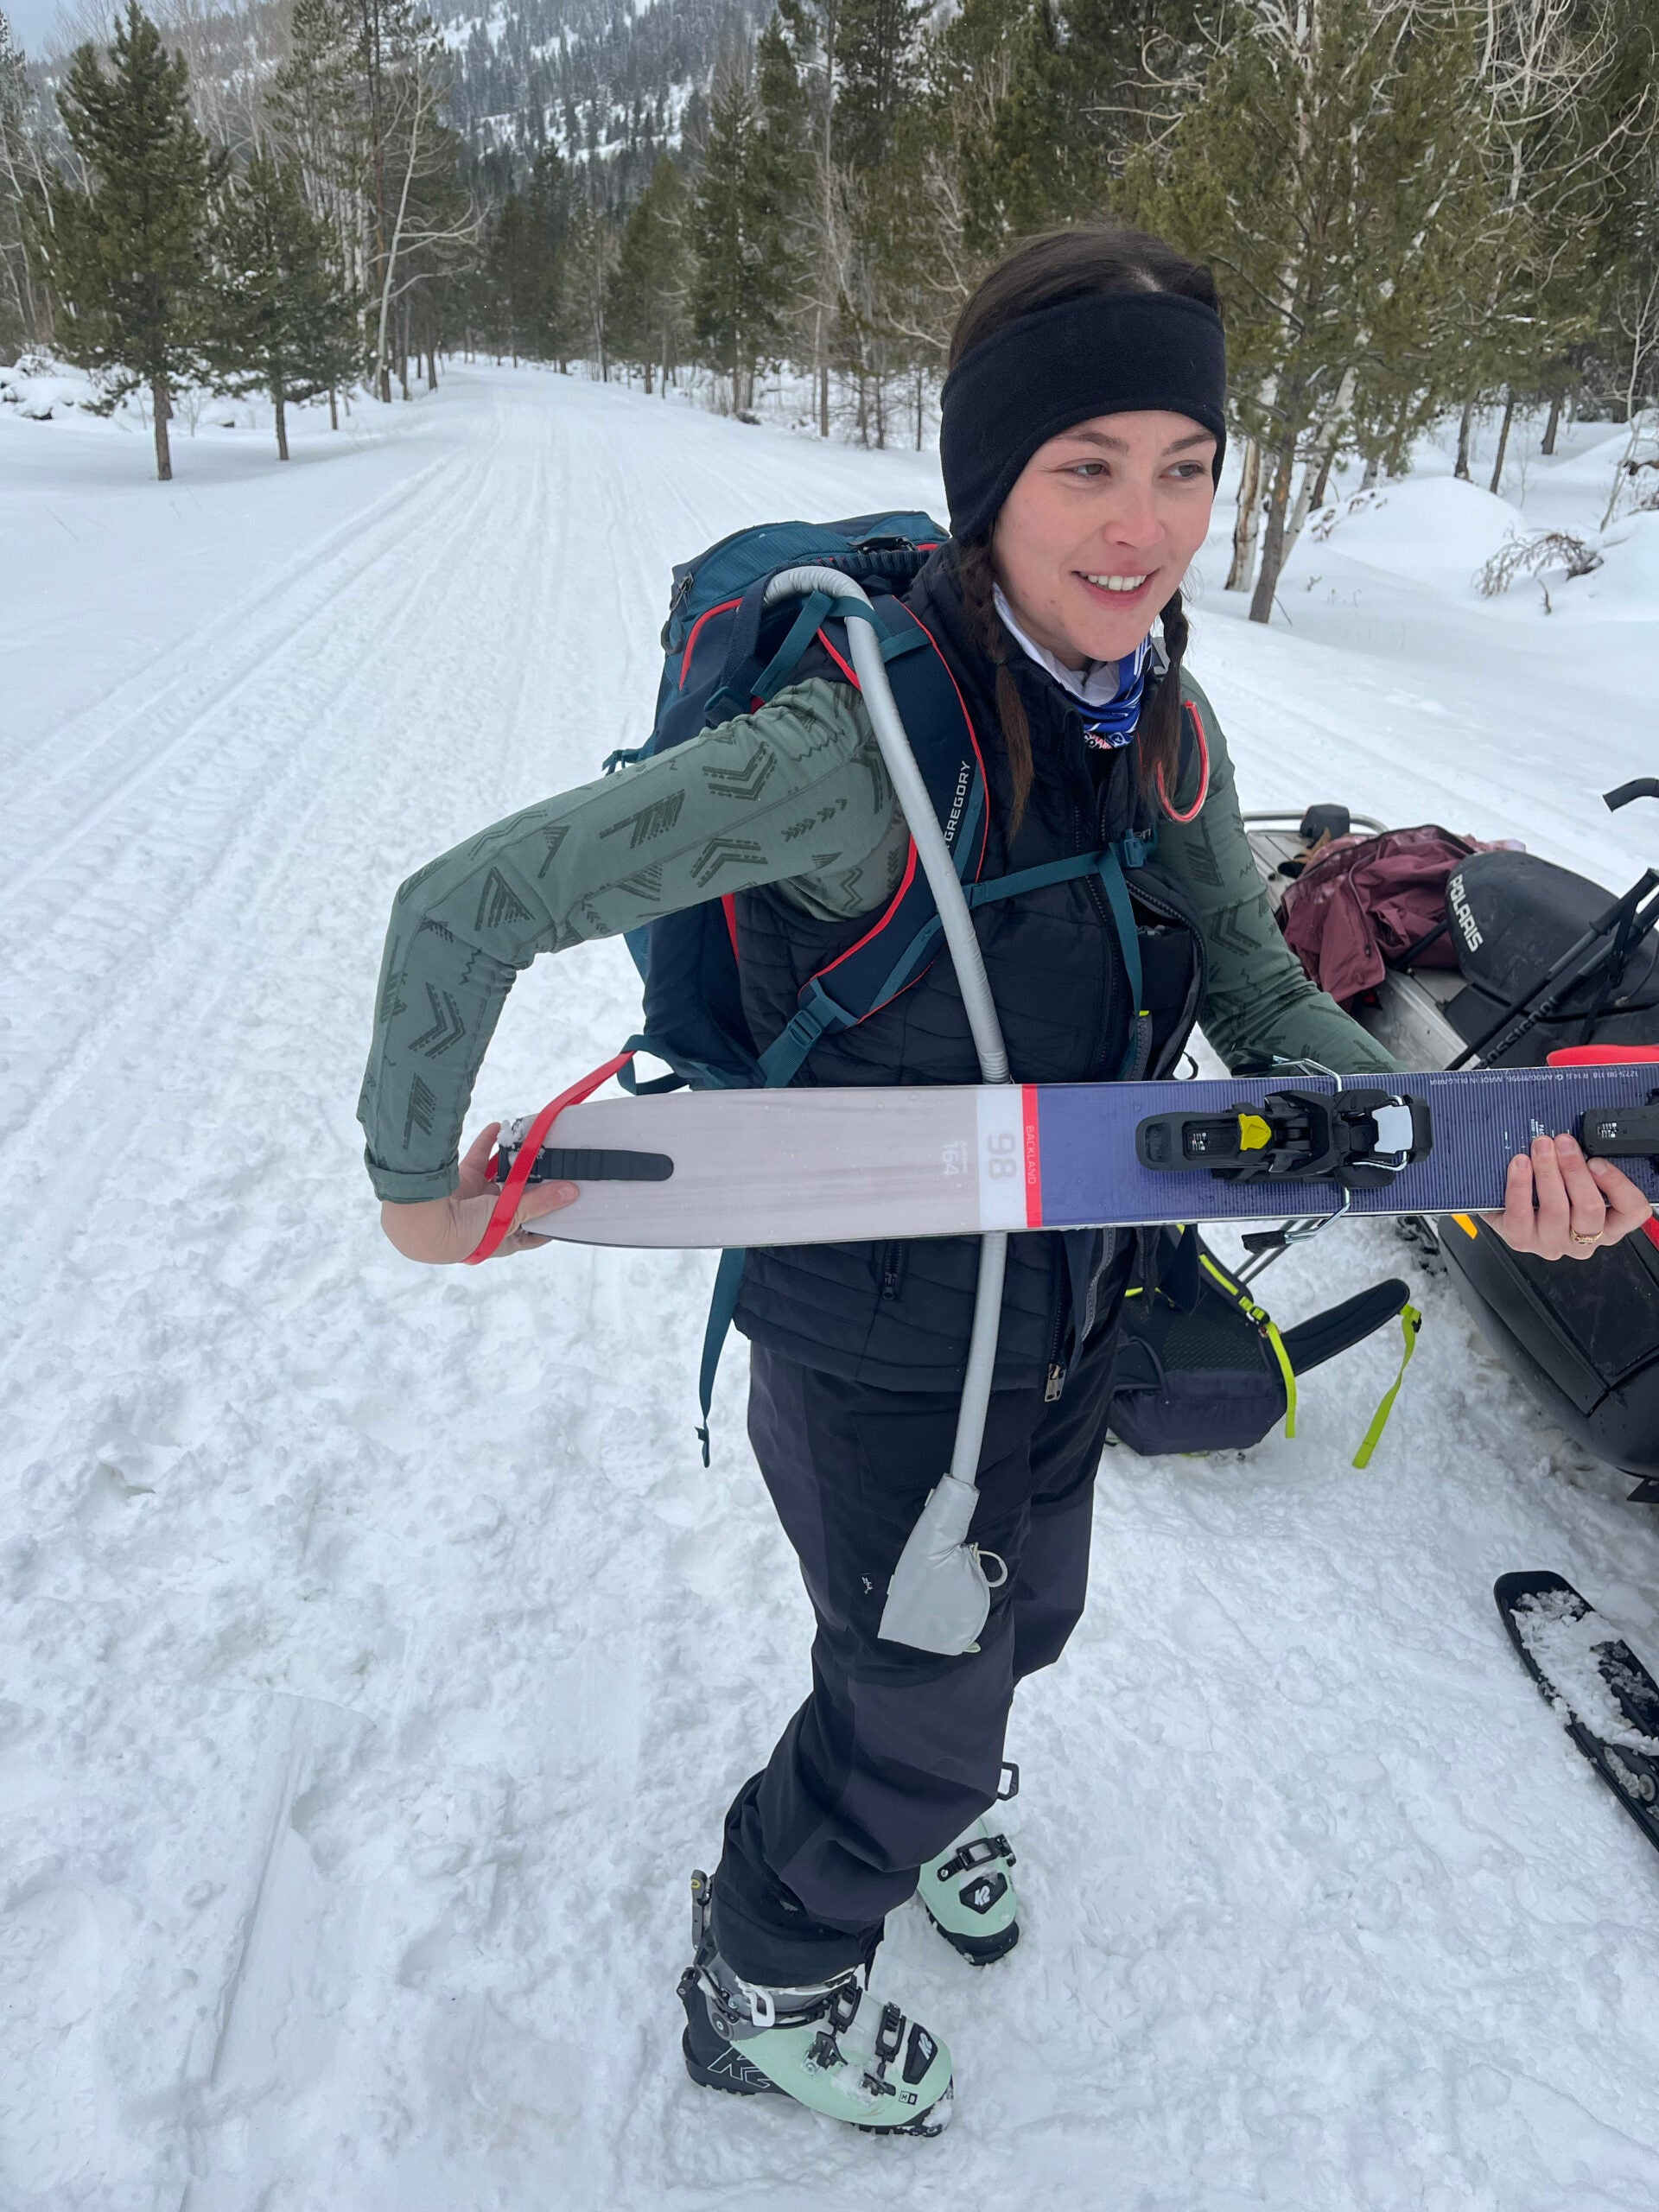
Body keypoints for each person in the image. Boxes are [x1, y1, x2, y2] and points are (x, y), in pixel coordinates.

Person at [358, 222, 1653, 2136]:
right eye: (1087, 466)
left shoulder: (1172, 731)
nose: (1145, 526)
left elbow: (1259, 985)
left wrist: (1475, 1153)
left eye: (1188, 466)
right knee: (915, 1680)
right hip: (878, 1328)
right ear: (991, 479)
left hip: (1074, 1298)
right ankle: (770, 1965)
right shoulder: (845, 753)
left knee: (1017, 1621)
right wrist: (416, 1176)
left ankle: (932, 1775)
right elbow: (463, 904)